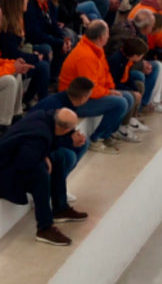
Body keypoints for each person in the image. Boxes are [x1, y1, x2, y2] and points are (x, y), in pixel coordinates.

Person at [0, 107, 88, 245]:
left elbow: (40, 146)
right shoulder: (41, 135)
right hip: (5, 171)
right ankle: (44, 228)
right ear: (64, 129)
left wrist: (45, 154)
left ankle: (60, 208)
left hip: (15, 158)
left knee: (58, 157)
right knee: (40, 174)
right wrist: (44, 157)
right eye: (72, 129)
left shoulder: (44, 116)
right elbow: (24, 164)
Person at [59, 20, 136, 152]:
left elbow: (105, 73)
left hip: (89, 95)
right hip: (76, 101)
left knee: (128, 97)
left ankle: (109, 134)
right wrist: (109, 93)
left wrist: (111, 88)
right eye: (107, 34)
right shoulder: (86, 56)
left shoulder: (96, 49)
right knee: (120, 103)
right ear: (101, 37)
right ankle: (96, 139)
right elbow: (90, 89)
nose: (108, 37)